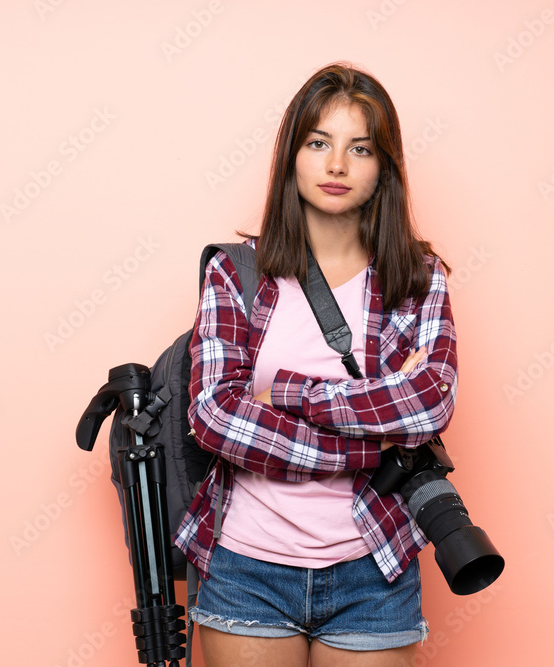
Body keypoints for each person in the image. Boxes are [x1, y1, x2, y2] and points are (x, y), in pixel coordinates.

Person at [175, 62, 458, 667]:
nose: (336, 166)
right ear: (292, 156)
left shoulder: (417, 279)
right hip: (247, 565)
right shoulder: (237, 272)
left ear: (384, 167)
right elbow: (216, 417)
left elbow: (430, 402)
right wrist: (364, 444)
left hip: (373, 570)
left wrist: (291, 393)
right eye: (318, 143)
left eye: (359, 148)